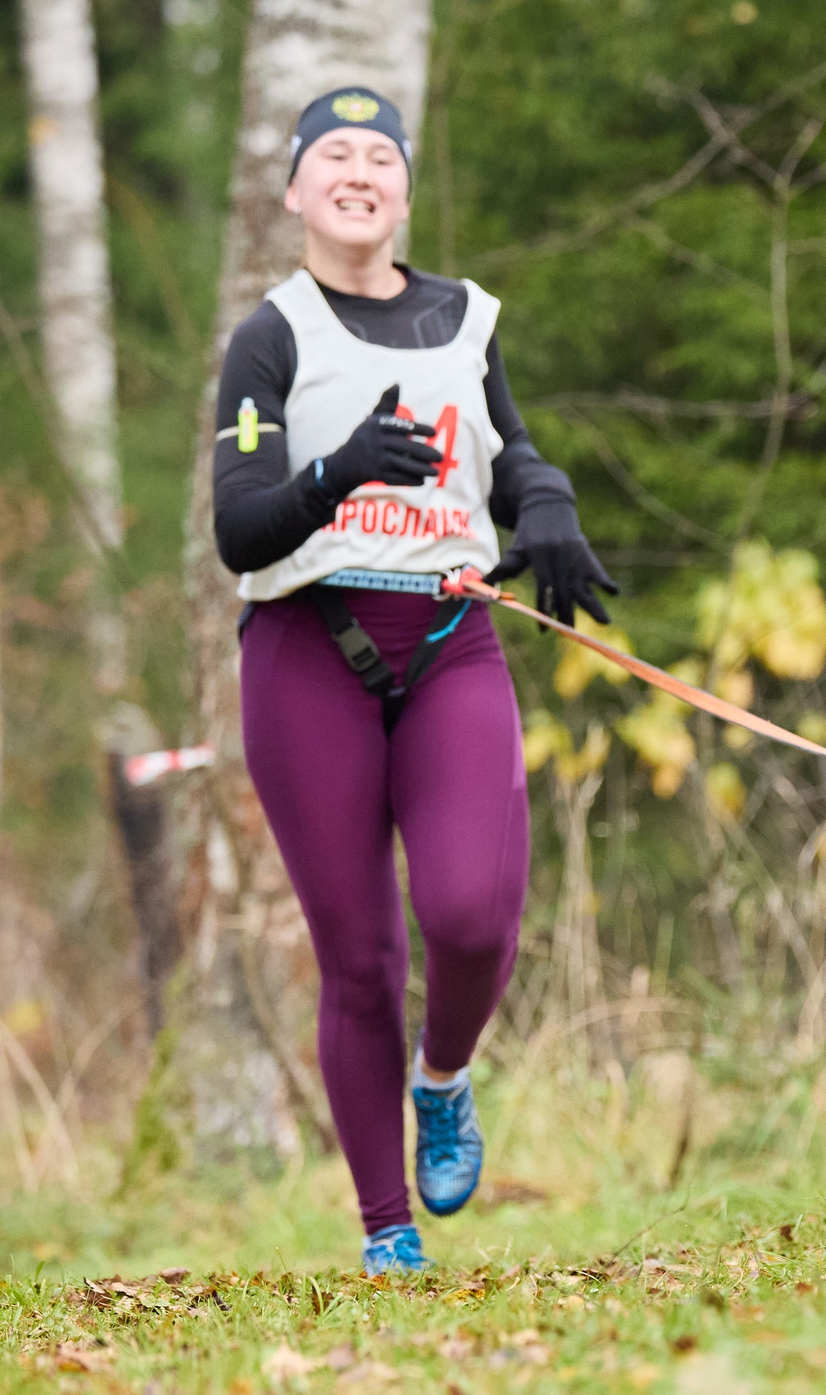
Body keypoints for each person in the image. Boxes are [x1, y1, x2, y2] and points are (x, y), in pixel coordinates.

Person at [211, 87, 617, 1275]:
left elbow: (515, 453)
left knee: (471, 912)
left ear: (401, 189)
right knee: (360, 958)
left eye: (378, 154)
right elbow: (238, 530)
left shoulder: (465, 317)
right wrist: (338, 471)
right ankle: (387, 1225)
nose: (356, 169)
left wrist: (546, 511)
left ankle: (444, 1077)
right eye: (330, 154)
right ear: (294, 190)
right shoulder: (271, 335)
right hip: (307, 649)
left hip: (450, 639)